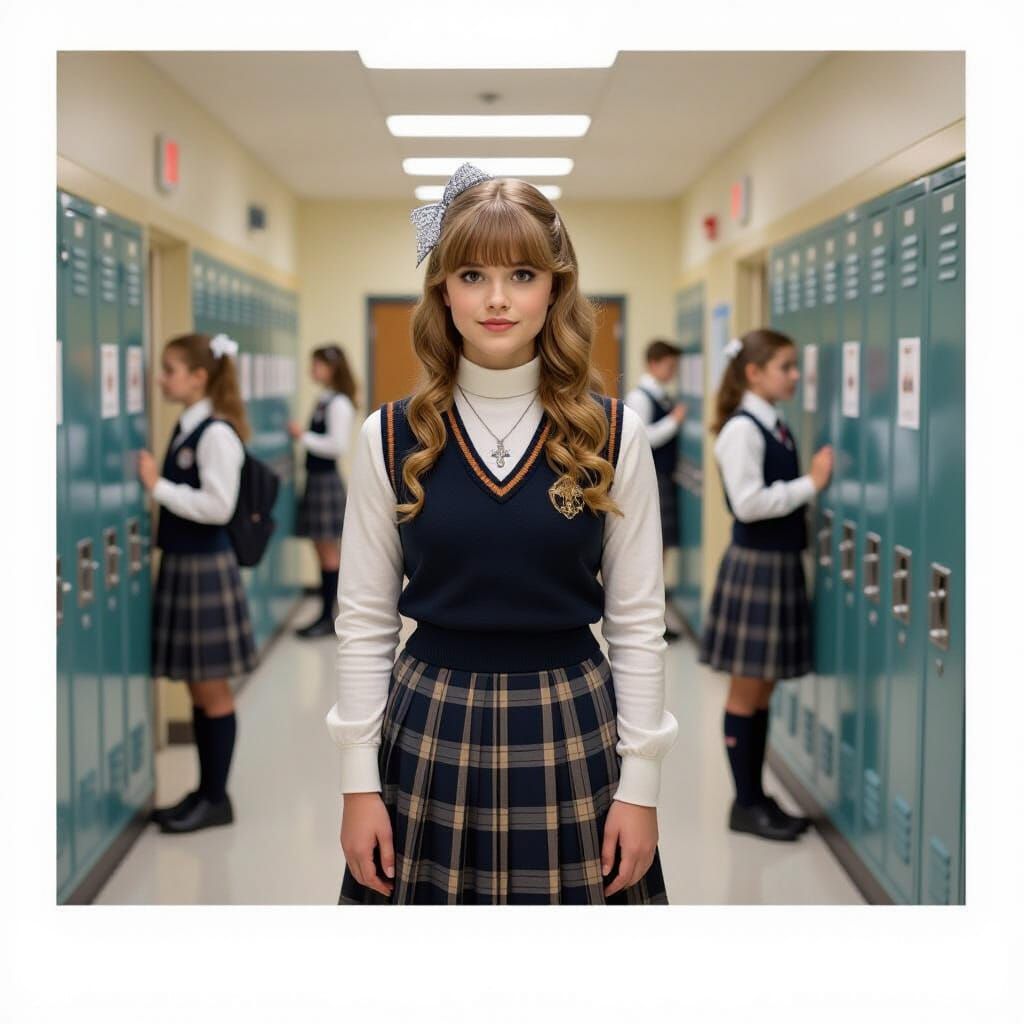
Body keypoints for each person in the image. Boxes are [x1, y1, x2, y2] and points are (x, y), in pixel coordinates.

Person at [325, 163, 679, 904]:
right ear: (441, 290)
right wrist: (359, 784)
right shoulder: (388, 436)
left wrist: (640, 784)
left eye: (521, 273)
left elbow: (639, 622)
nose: (495, 298)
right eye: (471, 274)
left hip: (571, 722)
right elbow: (362, 621)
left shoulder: (615, 434)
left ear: (555, 286)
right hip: (429, 725)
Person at [699, 329, 833, 841]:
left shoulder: (773, 424)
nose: (795, 376)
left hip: (777, 565)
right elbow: (749, 502)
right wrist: (811, 485)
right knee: (746, 689)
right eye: (786, 366)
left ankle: (755, 797)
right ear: (754, 373)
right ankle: (746, 803)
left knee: (763, 689)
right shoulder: (743, 429)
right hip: (756, 566)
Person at [138, 332, 256, 834]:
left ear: (198, 377)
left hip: (205, 567)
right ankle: (205, 793)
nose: (162, 378)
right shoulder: (190, 427)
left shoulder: (215, 434)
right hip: (185, 566)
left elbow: (218, 507)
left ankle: (216, 799)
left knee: (213, 693)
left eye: (170, 369)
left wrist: (156, 487)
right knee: (198, 689)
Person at [288, 344, 357, 638]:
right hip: (317, 480)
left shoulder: (338, 403)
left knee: (329, 553)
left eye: (316, 365)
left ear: (332, 367)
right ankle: (327, 615)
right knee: (323, 551)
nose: (311, 371)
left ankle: (329, 618)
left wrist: (303, 437)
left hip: (326, 481)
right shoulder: (325, 398)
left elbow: (336, 445)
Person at [625, 339, 688, 641]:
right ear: (654, 363)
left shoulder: (660, 395)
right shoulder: (640, 397)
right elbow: (644, 437)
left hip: (665, 476)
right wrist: (674, 422)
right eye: (669, 365)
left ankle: (659, 617)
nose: (672, 371)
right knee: (653, 551)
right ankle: (653, 620)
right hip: (653, 478)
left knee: (660, 552)